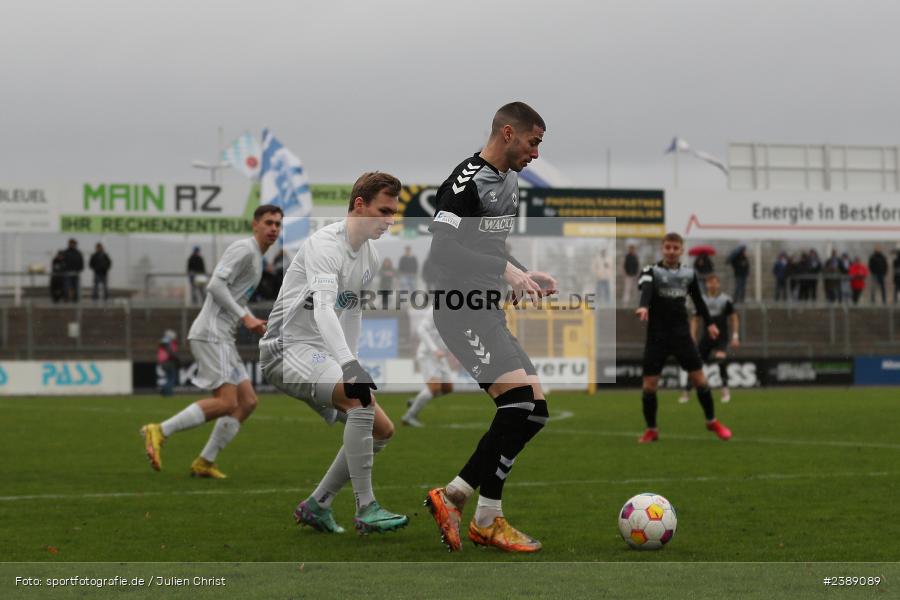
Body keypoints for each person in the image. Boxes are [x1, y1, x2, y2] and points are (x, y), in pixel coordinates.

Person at [424, 102, 556, 554]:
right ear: (507, 133)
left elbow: (489, 245)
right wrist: (506, 270)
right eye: (533, 142)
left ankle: (485, 517)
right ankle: (456, 497)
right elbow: (441, 252)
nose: (535, 153)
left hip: (487, 310)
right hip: (460, 309)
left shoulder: (511, 181)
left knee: (534, 411)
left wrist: (523, 271)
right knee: (517, 404)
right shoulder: (465, 182)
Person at [259, 172, 408, 535]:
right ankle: (366, 506)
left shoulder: (369, 256)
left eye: (394, 213)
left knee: (383, 431)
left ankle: (317, 504)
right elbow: (325, 309)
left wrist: (352, 362)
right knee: (361, 402)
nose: (390, 220)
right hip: (286, 350)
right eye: (384, 211)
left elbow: (351, 312)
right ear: (360, 205)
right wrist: (348, 366)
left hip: (318, 353)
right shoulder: (324, 245)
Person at [141, 205, 283, 479]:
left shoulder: (256, 257)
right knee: (227, 402)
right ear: (255, 224)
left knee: (248, 401)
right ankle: (159, 430)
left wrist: (251, 320)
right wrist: (245, 318)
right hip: (211, 334)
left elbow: (235, 298)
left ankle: (205, 461)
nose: (274, 228)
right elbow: (214, 286)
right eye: (268, 222)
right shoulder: (244, 249)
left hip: (223, 337)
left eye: (278, 224)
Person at [635, 232, 732, 444]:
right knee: (650, 385)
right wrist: (643, 305)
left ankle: (711, 421)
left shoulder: (688, 274)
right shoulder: (651, 271)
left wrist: (711, 324)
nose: (671, 251)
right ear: (662, 248)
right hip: (657, 336)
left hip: (681, 335)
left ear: (681, 250)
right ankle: (652, 429)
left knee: (700, 379)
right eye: (667, 247)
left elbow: (699, 301)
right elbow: (647, 288)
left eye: (675, 248)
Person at [678, 274, 740, 404]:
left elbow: (734, 317)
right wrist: (692, 336)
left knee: (720, 360)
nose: (712, 285)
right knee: (695, 365)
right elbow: (695, 319)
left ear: (718, 284)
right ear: (706, 285)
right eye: (710, 282)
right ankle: (686, 392)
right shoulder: (701, 300)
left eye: (715, 282)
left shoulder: (725, 300)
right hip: (706, 338)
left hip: (721, 337)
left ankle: (724, 390)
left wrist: (735, 335)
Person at [401, 308, 454, 427]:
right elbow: (421, 329)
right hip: (428, 355)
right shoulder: (435, 310)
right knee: (433, 388)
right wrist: (434, 349)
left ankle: (416, 401)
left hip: (441, 356)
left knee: (448, 388)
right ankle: (408, 417)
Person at [157, 330, 180, 397]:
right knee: (171, 378)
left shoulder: (163, 343)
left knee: (169, 378)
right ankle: (168, 392)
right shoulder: (169, 343)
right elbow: (172, 353)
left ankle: (164, 391)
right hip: (169, 362)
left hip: (164, 362)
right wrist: (177, 360)